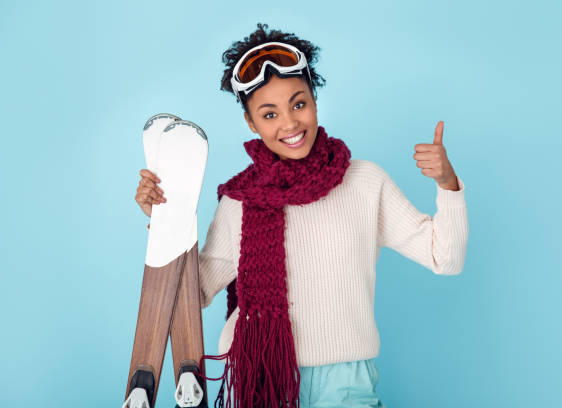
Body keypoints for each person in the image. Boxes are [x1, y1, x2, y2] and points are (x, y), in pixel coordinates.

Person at [134, 23, 468, 408]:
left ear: (314, 100)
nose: (290, 124)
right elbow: (194, 295)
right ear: (251, 123)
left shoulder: (364, 182)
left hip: (345, 383)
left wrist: (448, 184)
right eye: (269, 113)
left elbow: (446, 258)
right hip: (258, 377)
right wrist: (165, 222)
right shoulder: (240, 201)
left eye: (298, 104)